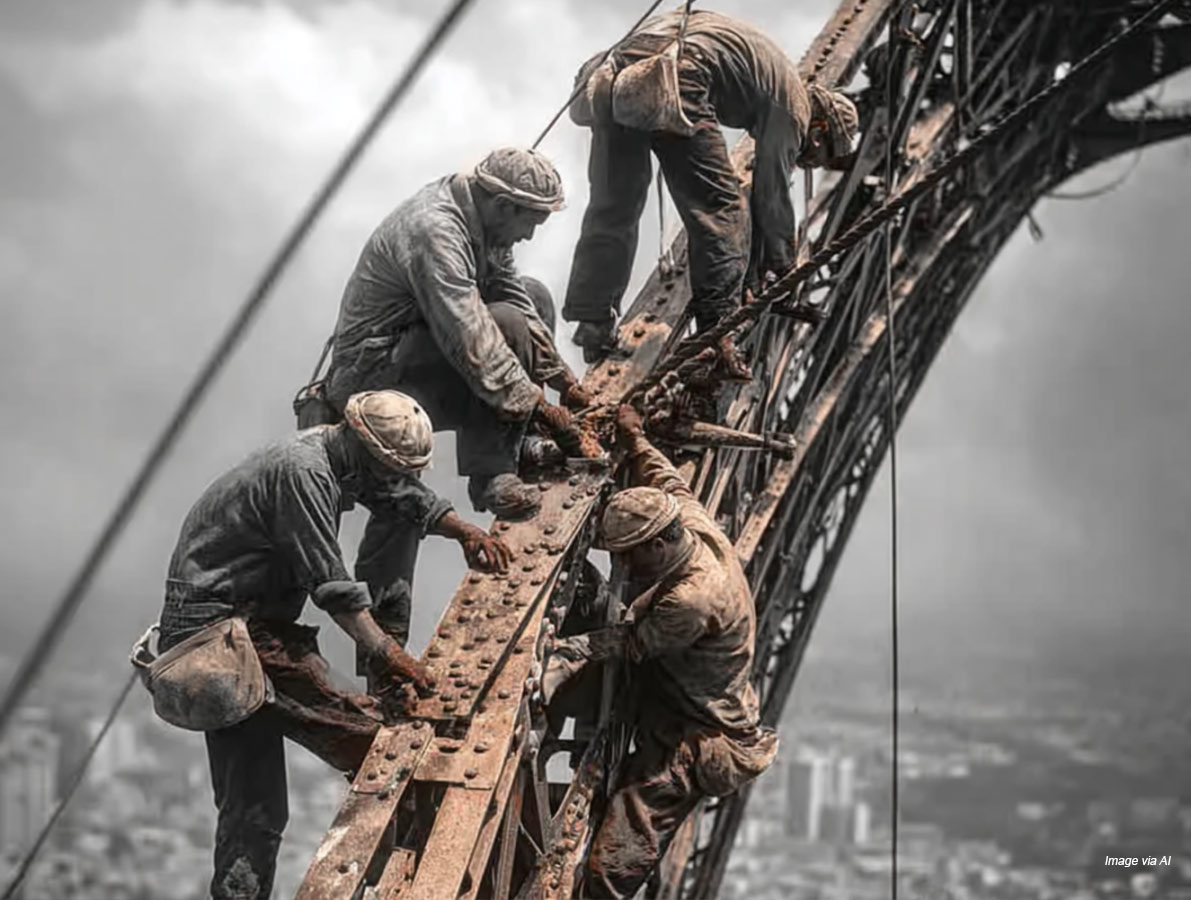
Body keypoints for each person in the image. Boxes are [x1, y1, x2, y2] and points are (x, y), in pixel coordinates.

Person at [154, 390, 511, 900]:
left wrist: (460, 530)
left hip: (217, 634)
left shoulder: (334, 453)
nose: (390, 482)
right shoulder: (305, 475)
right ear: (368, 454)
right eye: (389, 469)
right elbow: (332, 588)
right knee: (373, 741)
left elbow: (395, 494)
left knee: (255, 808)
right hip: (227, 636)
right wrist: (390, 655)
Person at [541, 404, 778, 898]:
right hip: (684, 696)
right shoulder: (689, 526)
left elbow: (630, 644)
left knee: (612, 866)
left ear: (654, 546)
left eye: (626, 553)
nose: (622, 563)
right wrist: (635, 440)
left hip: (697, 738)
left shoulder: (692, 599)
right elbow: (671, 483)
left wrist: (569, 651)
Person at [563, 6, 860, 366]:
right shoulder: (794, 106)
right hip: (682, 73)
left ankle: (592, 317)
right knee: (722, 206)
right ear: (820, 130)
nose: (806, 163)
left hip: (619, 66)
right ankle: (716, 330)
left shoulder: (772, 72)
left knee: (616, 203)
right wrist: (784, 268)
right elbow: (771, 194)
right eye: (817, 156)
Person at [322, 147, 593, 522]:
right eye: (529, 223)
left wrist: (565, 382)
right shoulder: (435, 230)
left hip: (419, 348)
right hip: (376, 375)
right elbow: (468, 333)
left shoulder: (486, 225)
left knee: (533, 297)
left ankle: (520, 442)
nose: (529, 236)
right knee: (502, 326)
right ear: (502, 206)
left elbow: (514, 295)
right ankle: (492, 474)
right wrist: (541, 407)